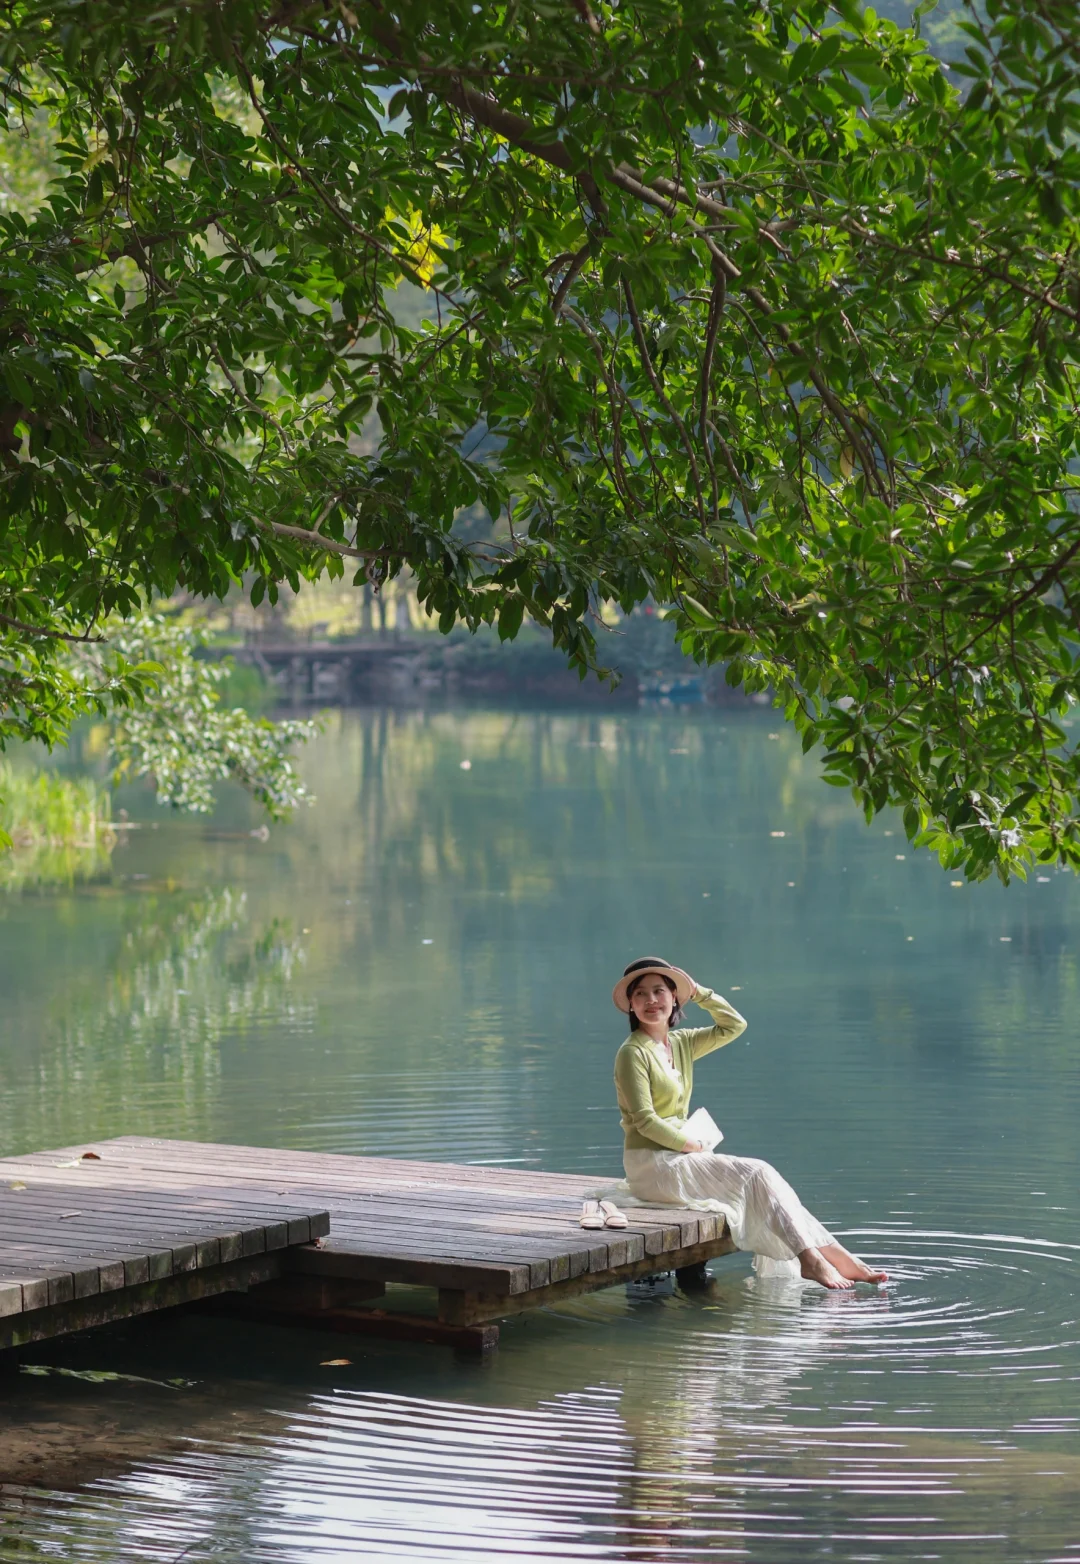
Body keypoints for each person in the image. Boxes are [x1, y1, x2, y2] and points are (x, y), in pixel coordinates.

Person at [612, 957, 887, 1291]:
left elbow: (734, 1025)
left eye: (660, 991)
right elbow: (644, 1121)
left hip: (682, 1157)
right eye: (640, 994)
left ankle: (836, 1257)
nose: (651, 1000)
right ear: (631, 1005)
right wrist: (694, 1146)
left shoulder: (680, 1043)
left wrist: (699, 992)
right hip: (652, 1165)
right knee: (757, 1173)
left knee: (766, 1181)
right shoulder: (633, 1053)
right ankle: (813, 1260)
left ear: (674, 999)